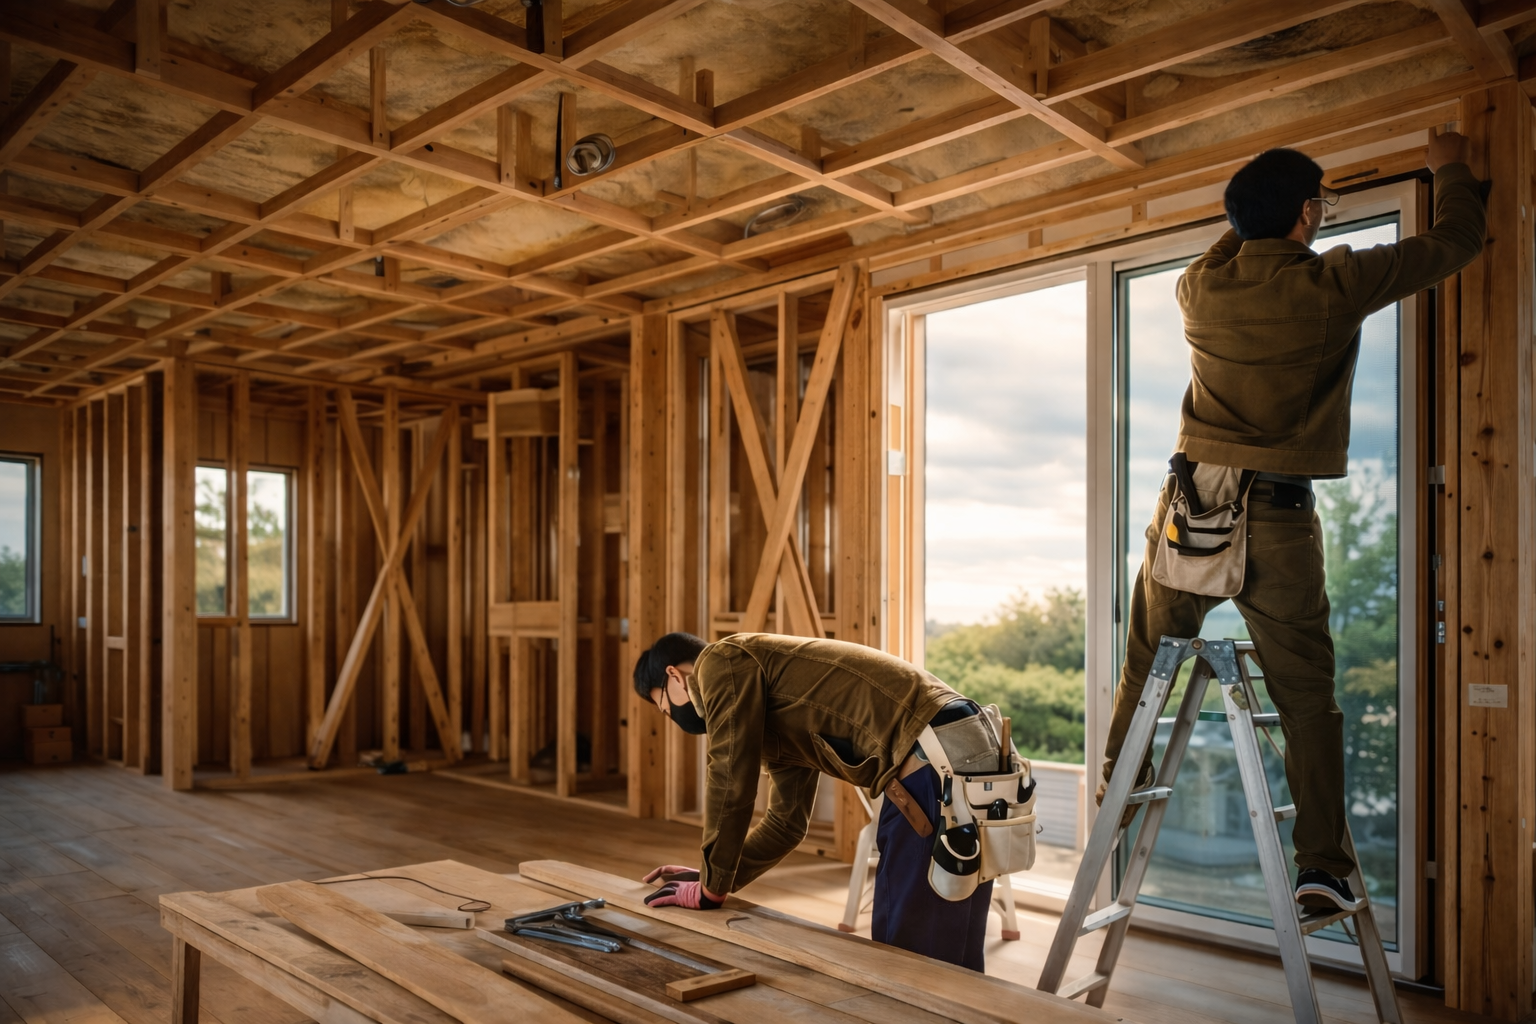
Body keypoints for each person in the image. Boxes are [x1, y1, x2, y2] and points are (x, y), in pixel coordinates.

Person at [1099, 133, 1486, 911]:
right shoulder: (1333, 284)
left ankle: (1121, 780)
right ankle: (1321, 867)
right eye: (1320, 205)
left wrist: (1267, 208)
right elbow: (1455, 241)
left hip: (1190, 507)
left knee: (1146, 655)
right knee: (1307, 694)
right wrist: (1448, 165)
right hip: (1275, 515)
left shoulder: (1196, 288)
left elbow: (1242, 237)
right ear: (1309, 214)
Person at [632, 630, 1014, 971]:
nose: (672, 717)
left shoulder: (719, 660)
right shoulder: (774, 717)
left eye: (665, 706)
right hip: (963, 751)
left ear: (674, 676)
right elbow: (786, 825)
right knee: (951, 941)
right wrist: (715, 875)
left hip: (934, 762)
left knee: (910, 953)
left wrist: (710, 889)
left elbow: (730, 774)